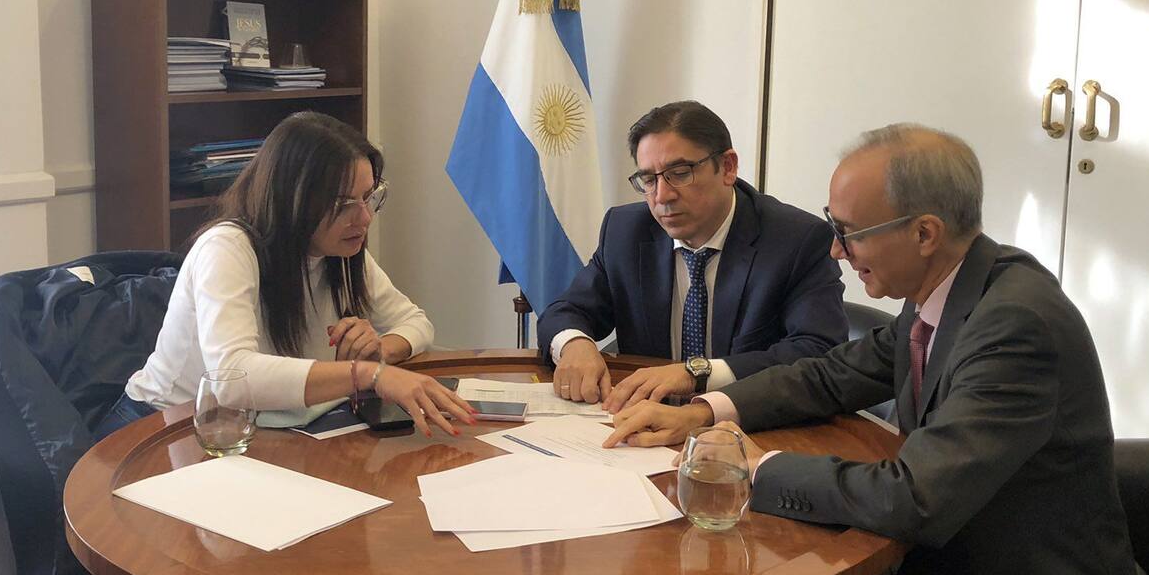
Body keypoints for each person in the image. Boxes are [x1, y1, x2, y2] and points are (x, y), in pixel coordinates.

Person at [604, 123, 1149, 575]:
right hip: (938, 572)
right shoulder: (952, 288)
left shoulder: (1013, 325)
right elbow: (833, 374)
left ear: (924, 233)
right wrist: (703, 411)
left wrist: (754, 469)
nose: (837, 252)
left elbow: (913, 497)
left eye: (848, 234)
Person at [99, 110, 474, 440]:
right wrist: (367, 374)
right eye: (345, 204)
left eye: (369, 196)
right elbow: (232, 376)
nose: (365, 218)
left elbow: (415, 323)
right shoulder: (227, 248)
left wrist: (380, 349)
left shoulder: (342, 249)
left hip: (259, 423)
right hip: (163, 426)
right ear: (292, 199)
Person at [537, 100, 847, 413]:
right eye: (649, 179)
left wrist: (695, 373)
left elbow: (818, 352)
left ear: (727, 167)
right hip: (644, 425)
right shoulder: (625, 232)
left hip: (745, 426)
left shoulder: (797, 240)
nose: (662, 196)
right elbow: (568, 310)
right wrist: (574, 343)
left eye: (680, 173)